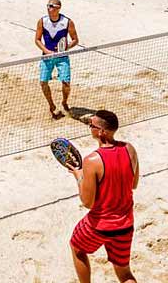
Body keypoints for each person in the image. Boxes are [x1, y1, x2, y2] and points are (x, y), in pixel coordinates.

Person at [68, 110, 139, 283]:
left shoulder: (92, 161)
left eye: (91, 125)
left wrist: (78, 176)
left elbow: (87, 202)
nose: (89, 127)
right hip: (126, 223)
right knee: (124, 272)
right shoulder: (130, 149)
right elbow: (134, 184)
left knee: (77, 247)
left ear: (101, 132)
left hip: (101, 225)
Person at [35, 0, 79, 119]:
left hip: (62, 57)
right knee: (43, 82)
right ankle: (51, 104)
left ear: (58, 8)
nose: (48, 8)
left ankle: (64, 101)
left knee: (66, 83)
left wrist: (65, 48)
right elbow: (37, 40)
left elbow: (75, 40)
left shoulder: (67, 22)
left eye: (51, 6)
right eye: (47, 6)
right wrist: (47, 51)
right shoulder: (42, 21)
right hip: (47, 56)